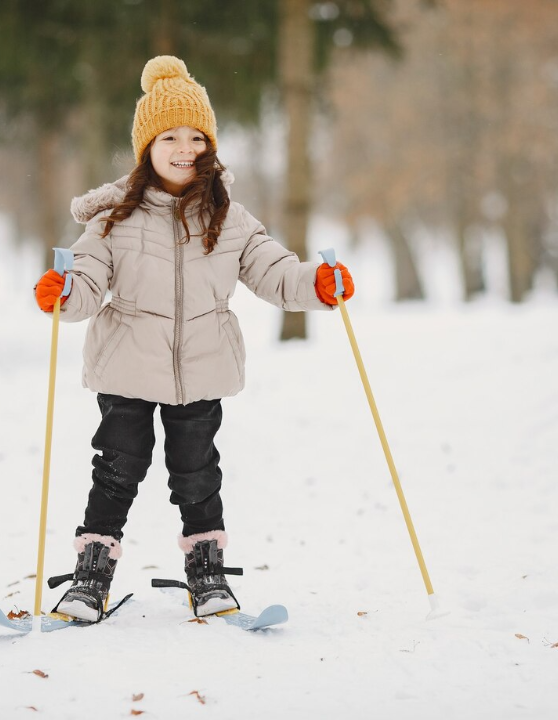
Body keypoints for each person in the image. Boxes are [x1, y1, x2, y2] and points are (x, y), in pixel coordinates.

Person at [34, 56, 354, 622]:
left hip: (203, 366)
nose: (185, 148)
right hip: (127, 365)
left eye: (197, 137)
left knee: (197, 471)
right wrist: (63, 292)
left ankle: (206, 571)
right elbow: (84, 284)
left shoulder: (228, 218)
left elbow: (276, 273)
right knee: (117, 466)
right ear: (146, 147)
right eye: (170, 137)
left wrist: (318, 285)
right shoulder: (112, 221)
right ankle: (91, 575)